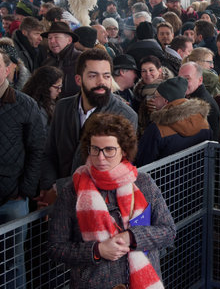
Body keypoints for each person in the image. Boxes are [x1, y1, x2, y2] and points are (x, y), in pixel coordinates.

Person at [48, 113, 175, 289]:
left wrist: (132, 237)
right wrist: (97, 251)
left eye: (109, 150)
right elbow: (56, 248)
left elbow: (168, 231)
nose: (100, 158)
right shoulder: (72, 191)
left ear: (123, 150)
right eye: (95, 149)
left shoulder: (143, 183)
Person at [39, 49, 138, 198]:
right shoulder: (62, 107)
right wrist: (48, 187)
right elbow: (50, 152)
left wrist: (58, 189)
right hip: (60, 203)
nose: (101, 82)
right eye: (93, 76)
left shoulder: (125, 115)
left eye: (106, 76)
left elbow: (111, 169)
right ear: (78, 80)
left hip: (99, 201)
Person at [0, 49, 46, 289]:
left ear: (8, 70)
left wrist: (25, 190)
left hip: (12, 199)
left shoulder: (25, 104)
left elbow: (37, 148)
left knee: (12, 262)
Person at [136, 76, 212, 165]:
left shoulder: (157, 128)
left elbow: (142, 161)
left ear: (165, 101)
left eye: (156, 97)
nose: (153, 100)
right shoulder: (203, 121)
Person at [41, 21, 81, 98]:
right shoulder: (46, 63)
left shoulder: (81, 60)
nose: (52, 41)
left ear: (69, 40)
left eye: (56, 37)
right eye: (49, 38)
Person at [22, 65, 64, 131]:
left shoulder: (50, 103)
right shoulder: (35, 108)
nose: (59, 90)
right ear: (45, 86)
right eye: (57, 87)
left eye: (61, 87)